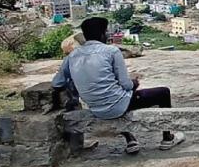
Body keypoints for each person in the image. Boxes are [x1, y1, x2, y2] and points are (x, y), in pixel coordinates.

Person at [52, 17, 185, 154]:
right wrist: (134, 83)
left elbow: (57, 83)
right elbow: (126, 85)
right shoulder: (111, 51)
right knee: (163, 92)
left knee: (113, 93)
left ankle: (130, 139)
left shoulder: (72, 56)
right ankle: (167, 138)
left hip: (95, 107)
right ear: (103, 34)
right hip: (118, 105)